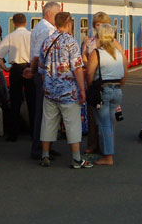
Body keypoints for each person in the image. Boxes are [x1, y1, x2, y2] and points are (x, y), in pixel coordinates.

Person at [38, 12, 91, 169]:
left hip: (49, 90)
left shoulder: (47, 41)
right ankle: (76, 159)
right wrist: (82, 89)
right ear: (69, 24)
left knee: (48, 122)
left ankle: (45, 155)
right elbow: (77, 68)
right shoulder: (71, 42)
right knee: (72, 124)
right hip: (68, 91)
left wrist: (46, 84)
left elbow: (41, 68)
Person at [80, 12, 124, 155]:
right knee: (93, 118)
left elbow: (123, 63)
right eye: (97, 24)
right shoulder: (89, 42)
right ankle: (93, 145)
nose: (98, 27)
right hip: (94, 84)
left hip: (105, 84)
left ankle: (105, 147)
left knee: (107, 119)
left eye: (102, 24)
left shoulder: (115, 43)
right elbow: (83, 61)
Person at [24, 1, 61, 160]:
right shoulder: (46, 30)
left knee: (47, 112)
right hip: (44, 75)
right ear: (49, 14)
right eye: (57, 14)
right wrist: (33, 70)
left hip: (43, 74)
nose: (58, 17)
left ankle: (46, 145)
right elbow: (38, 55)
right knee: (44, 113)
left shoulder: (42, 27)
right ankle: (39, 148)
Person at [0, 14, 34, 142]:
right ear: (26, 22)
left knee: (15, 100)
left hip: (15, 69)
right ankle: (33, 131)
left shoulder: (10, 36)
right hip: (30, 68)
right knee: (31, 100)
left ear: (14, 23)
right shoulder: (32, 35)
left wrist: (5, 68)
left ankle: (14, 133)